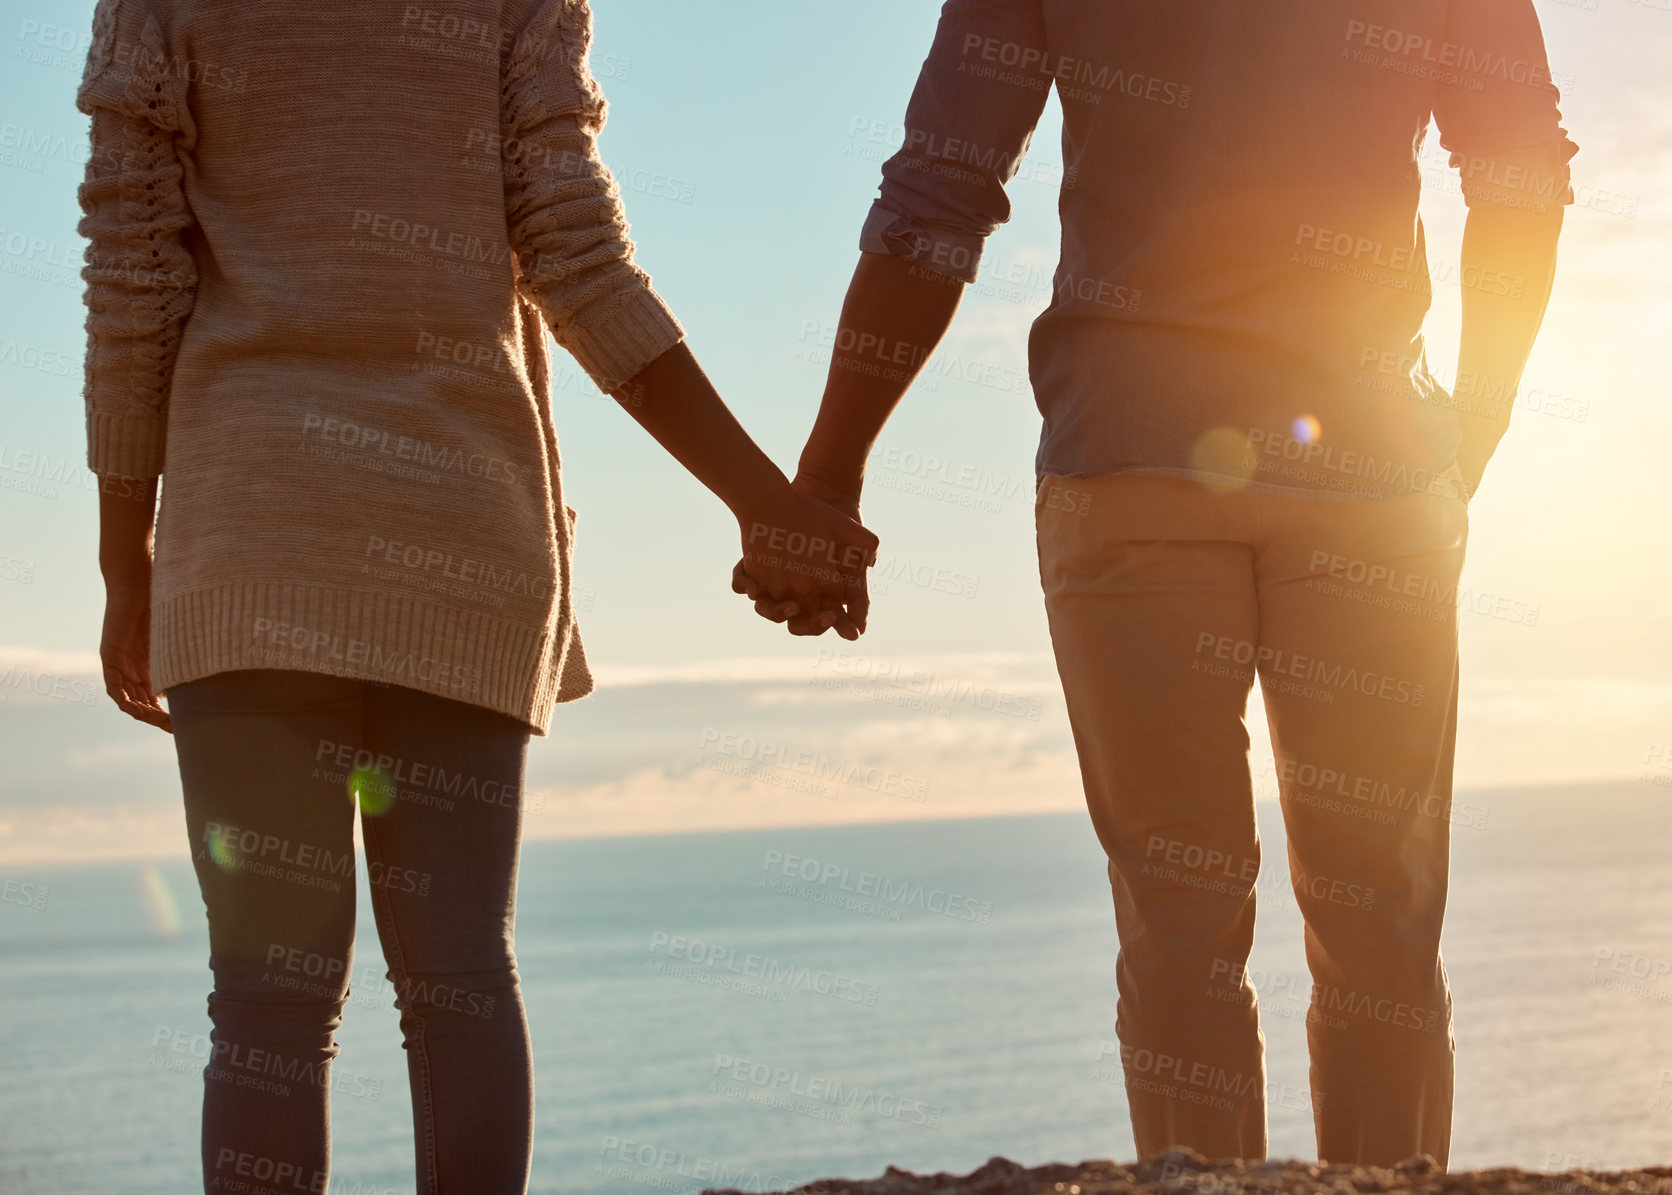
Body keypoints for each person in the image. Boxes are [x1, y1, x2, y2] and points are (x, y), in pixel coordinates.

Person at [737, 0, 1574, 1168]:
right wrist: (1465, 438)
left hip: (1128, 463)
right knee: (1379, 922)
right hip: (1374, 474)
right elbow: (1522, 176)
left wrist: (827, 475)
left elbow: (938, 199)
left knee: (1178, 929)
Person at [79, 1, 874, 1192]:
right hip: (460, 525)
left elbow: (130, 271)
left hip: (250, 535)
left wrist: (123, 560)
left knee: (266, 1001)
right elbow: (576, 255)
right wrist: (762, 500)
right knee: (458, 983)